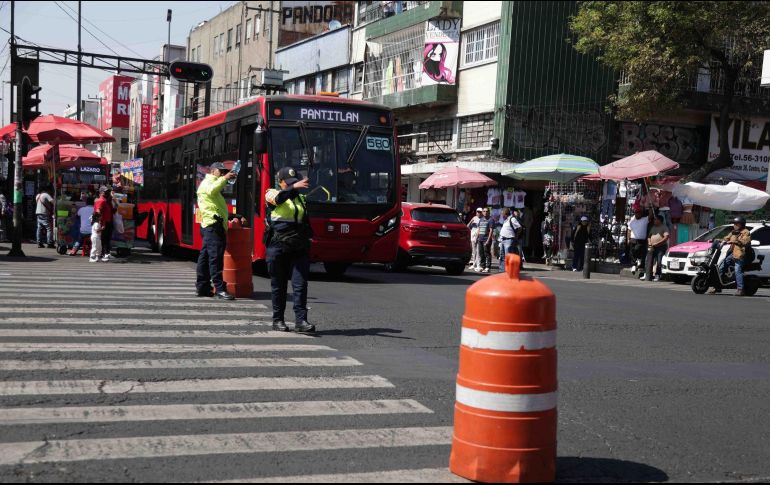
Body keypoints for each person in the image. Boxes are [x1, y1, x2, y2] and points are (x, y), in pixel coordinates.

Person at [265, 166, 314, 333]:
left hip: (298, 246)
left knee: (300, 284)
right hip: (278, 245)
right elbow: (278, 200)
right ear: (280, 182)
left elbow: (305, 220)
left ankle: (301, 321)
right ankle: (278, 320)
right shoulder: (271, 193)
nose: (293, 185)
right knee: (279, 285)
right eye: (289, 183)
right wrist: (293, 189)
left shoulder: (300, 198)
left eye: (295, 182)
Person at [196, 162, 238, 300]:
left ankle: (203, 287)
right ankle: (219, 289)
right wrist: (225, 178)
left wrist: (232, 216)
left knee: (206, 257)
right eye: (220, 171)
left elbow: (217, 206)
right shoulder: (209, 183)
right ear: (213, 171)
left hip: (212, 225)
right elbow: (212, 190)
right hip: (213, 226)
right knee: (215, 258)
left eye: (224, 171)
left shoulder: (211, 183)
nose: (223, 173)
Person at [711, 216, 752, 296]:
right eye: (734, 224)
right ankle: (717, 286)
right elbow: (726, 238)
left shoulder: (746, 232)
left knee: (737, 270)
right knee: (721, 267)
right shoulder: (733, 232)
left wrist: (735, 241)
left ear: (742, 224)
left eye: (737, 224)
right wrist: (718, 240)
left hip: (740, 255)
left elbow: (745, 241)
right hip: (732, 254)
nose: (735, 225)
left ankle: (740, 289)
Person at [94, 186, 117, 261]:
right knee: (103, 239)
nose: (106, 193)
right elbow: (98, 212)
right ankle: (102, 254)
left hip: (109, 222)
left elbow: (113, 210)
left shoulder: (108, 201)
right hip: (104, 222)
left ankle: (107, 253)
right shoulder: (100, 200)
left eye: (107, 192)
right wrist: (101, 223)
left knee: (107, 238)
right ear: (101, 192)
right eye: (105, 192)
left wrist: (114, 201)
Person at [644, 213, 670, 282]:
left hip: (661, 247)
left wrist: (658, 243)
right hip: (652, 246)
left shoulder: (664, 227)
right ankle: (648, 275)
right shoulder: (653, 227)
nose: (654, 221)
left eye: (655, 220)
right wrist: (649, 242)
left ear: (660, 220)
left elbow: (666, 237)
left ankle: (657, 275)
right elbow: (649, 236)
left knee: (659, 261)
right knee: (649, 261)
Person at [627, 208, 650, 278]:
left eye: (639, 213)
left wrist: (650, 207)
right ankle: (634, 265)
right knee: (632, 252)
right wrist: (628, 239)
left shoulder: (645, 220)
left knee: (637, 249)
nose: (637, 214)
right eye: (636, 213)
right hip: (633, 239)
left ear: (641, 214)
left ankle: (638, 260)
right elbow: (629, 230)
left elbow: (651, 215)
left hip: (641, 239)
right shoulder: (632, 220)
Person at [498, 208, 522, 272]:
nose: (502, 215)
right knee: (502, 256)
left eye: (502, 214)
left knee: (508, 256)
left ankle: (508, 271)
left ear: (505, 214)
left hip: (509, 239)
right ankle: (502, 270)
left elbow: (519, 228)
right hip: (503, 239)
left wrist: (516, 236)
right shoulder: (506, 220)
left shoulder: (512, 219)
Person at [475, 207, 493, 273]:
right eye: (484, 211)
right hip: (480, 239)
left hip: (486, 239)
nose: (485, 212)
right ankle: (483, 266)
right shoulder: (481, 219)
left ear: (489, 212)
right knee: (481, 253)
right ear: (482, 212)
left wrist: (488, 240)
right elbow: (479, 229)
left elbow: (491, 231)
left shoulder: (490, 220)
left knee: (487, 253)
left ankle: (488, 267)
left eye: (487, 211)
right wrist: (477, 237)